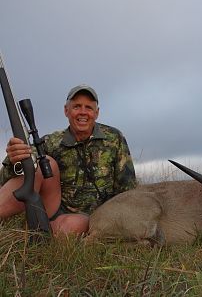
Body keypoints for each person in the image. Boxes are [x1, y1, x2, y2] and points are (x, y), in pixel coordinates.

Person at [0, 84, 136, 235]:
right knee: (40, 163)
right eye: (77, 106)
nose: (83, 112)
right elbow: (6, 178)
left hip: (96, 217)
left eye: (89, 108)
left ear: (96, 113)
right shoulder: (51, 141)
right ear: (66, 110)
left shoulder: (114, 138)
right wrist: (14, 160)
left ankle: (30, 235)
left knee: (70, 225)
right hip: (53, 208)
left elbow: (128, 190)